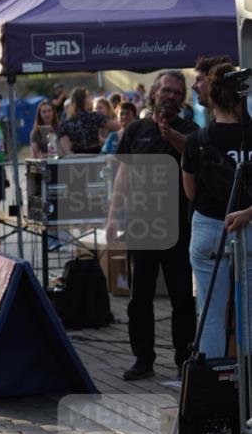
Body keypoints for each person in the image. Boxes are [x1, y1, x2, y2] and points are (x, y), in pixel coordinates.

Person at [106, 70, 198, 380]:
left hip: (179, 228)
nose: (171, 96)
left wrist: (172, 136)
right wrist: (112, 215)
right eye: (166, 90)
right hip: (141, 226)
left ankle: (184, 359)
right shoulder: (135, 130)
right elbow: (124, 175)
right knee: (139, 298)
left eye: (177, 92)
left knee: (182, 298)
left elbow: (197, 160)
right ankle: (142, 359)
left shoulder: (191, 129)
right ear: (154, 94)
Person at [182, 61, 252, 358]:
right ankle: (248, 389)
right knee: (248, 312)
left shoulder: (197, 140)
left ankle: (213, 388)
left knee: (210, 313)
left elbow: (190, 192)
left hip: (210, 227)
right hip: (247, 226)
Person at [58, 87, 115, 155]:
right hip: (95, 156)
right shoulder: (95, 117)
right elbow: (118, 127)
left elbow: (67, 149)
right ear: (85, 100)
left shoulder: (66, 122)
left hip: (77, 158)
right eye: (88, 97)